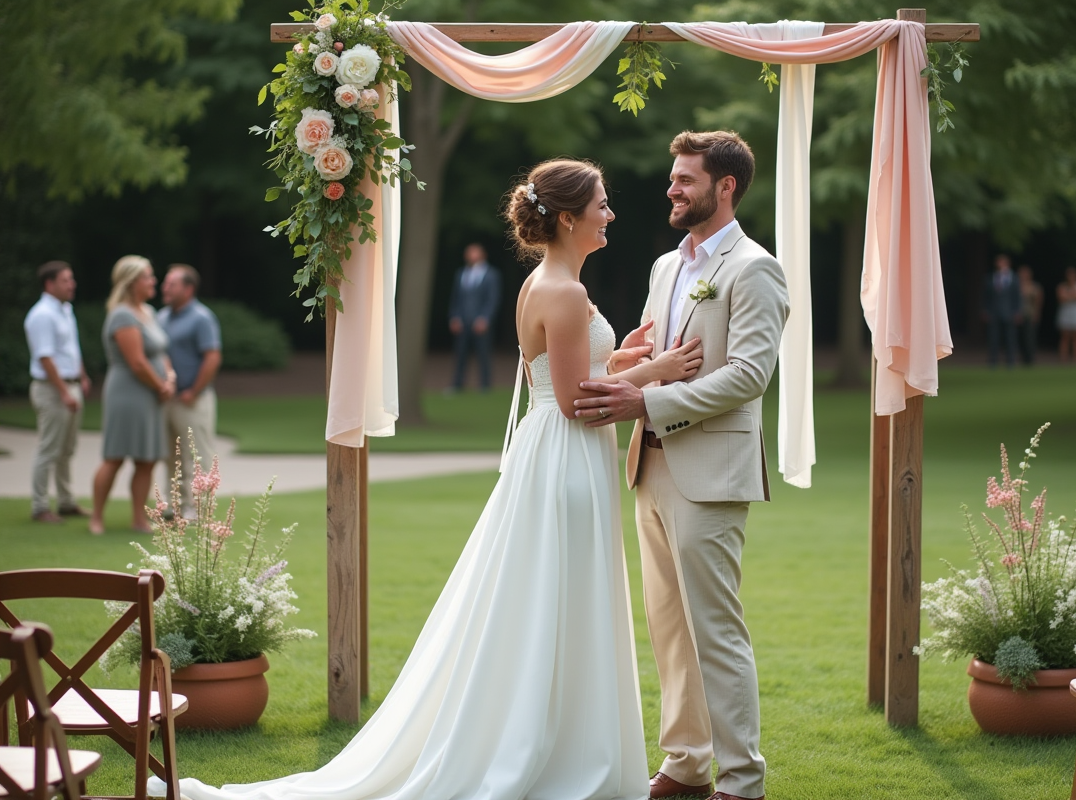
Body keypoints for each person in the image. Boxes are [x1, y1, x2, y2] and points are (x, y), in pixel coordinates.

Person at [153, 158, 703, 800]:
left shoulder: (540, 283)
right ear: (567, 216)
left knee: (549, 598)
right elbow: (578, 399)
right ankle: (555, 749)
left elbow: (567, 373)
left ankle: (557, 737)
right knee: (560, 597)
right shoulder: (566, 291)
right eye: (602, 205)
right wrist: (655, 369)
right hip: (567, 455)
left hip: (554, 451)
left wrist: (620, 357)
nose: (610, 214)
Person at [574, 130, 790, 800]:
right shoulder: (669, 266)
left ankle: (743, 779)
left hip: (711, 472)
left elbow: (749, 376)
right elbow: (656, 354)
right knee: (668, 626)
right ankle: (688, 762)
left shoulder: (755, 268)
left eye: (685, 179)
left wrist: (647, 399)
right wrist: (629, 368)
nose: (672, 188)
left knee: (715, 631)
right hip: (651, 464)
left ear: (725, 188)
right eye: (673, 178)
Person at [90, 256, 174, 535]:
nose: (154, 281)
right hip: (128, 392)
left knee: (146, 458)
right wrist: (160, 386)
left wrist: (169, 377)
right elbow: (137, 362)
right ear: (131, 282)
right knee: (115, 456)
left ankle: (138, 518)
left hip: (151, 394)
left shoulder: (147, 311)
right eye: (148, 276)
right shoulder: (122, 315)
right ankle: (96, 518)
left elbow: (159, 351)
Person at [23, 260, 91, 523]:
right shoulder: (42, 314)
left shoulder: (65, 310)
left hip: (70, 386)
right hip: (52, 389)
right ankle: (40, 506)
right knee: (49, 448)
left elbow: (71, 349)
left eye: (71, 279)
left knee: (67, 448)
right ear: (49, 284)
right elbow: (45, 357)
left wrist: (81, 376)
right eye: (66, 280)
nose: (71, 284)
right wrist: (64, 391)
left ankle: (65, 501)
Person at [158, 263, 222, 518]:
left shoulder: (201, 317)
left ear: (188, 288)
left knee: (196, 456)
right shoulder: (160, 317)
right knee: (170, 456)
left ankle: (198, 508)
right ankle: (173, 505)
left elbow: (212, 357)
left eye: (171, 284)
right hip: (167, 398)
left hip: (192, 399)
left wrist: (194, 391)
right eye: (165, 283)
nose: (165, 288)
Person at [448, 243, 502, 391]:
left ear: (483, 255)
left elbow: (493, 299)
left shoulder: (492, 275)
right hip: (463, 321)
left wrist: (485, 318)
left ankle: (485, 386)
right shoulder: (461, 273)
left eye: (475, 253)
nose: (472, 256)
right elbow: (456, 298)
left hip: (481, 322)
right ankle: (457, 385)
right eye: (470, 253)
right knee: (460, 355)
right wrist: (454, 316)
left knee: (483, 354)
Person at [983, 254, 1021, 368]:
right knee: (993, 337)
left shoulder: (1014, 278)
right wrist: (985, 310)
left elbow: (1017, 296)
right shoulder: (991, 278)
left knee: (1010, 338)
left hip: (1009, 312)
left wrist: (1017, 311)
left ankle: (1010, 361)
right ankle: (993, 361)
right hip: (994, 312)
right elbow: (985, 296)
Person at [1056, 266, 1076, 363]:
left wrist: (1069, 296)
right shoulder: (1062, 286)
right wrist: (1074, 296)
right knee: (1065, 336)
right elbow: (1061, 298)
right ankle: (1063, 358)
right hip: (1066, 312)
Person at [1016, 264, 1043, 366]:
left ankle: (1030, 358)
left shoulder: (1035, 286)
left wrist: (1037, 313)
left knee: (1030, 337)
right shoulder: (1015, 286)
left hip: (1030, 314)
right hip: (1019, 315)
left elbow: (1038, 301)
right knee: (1020, 337)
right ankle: (1022, 357)